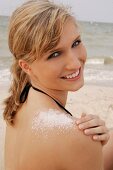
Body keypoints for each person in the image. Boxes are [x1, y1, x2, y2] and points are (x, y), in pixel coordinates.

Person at [3, 0, 111, 169]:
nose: (75, 63)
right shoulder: (75, 137)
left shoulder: (18, 102)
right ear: (26, 66)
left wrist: (99, 144)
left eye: (76, 43)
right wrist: (91, 146)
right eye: (54, 54)